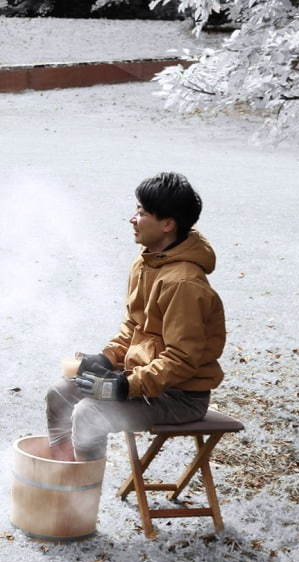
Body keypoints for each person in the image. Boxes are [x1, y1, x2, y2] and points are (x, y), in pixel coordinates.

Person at [47, 172, 224, 461]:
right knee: (60, 392)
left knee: (89, 414)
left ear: (167, 224)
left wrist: (125, 386)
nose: (132, 218)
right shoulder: (146, 263)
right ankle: (60, 473)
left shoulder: (184, 284)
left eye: (141, 213)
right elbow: (134, 325)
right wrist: (106, 358)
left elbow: (181, 360)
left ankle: (82, 497)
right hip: (142, 377)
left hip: (178, 396)